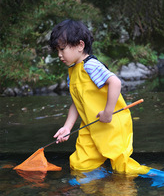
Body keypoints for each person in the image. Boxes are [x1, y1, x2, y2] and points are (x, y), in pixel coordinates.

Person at [50, 19, 150, 174]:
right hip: (90, 126)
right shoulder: (73, 71)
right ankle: (95, 185)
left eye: (62, 49)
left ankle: (154, 178)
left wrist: (108, 113)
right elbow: (77, 102)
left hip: (111, 124)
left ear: (80, 45)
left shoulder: (90, 66)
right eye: (57, 50)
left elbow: (115, 82)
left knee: (123, 168)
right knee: (80, 164)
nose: (59, 55)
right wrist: (67, 127)